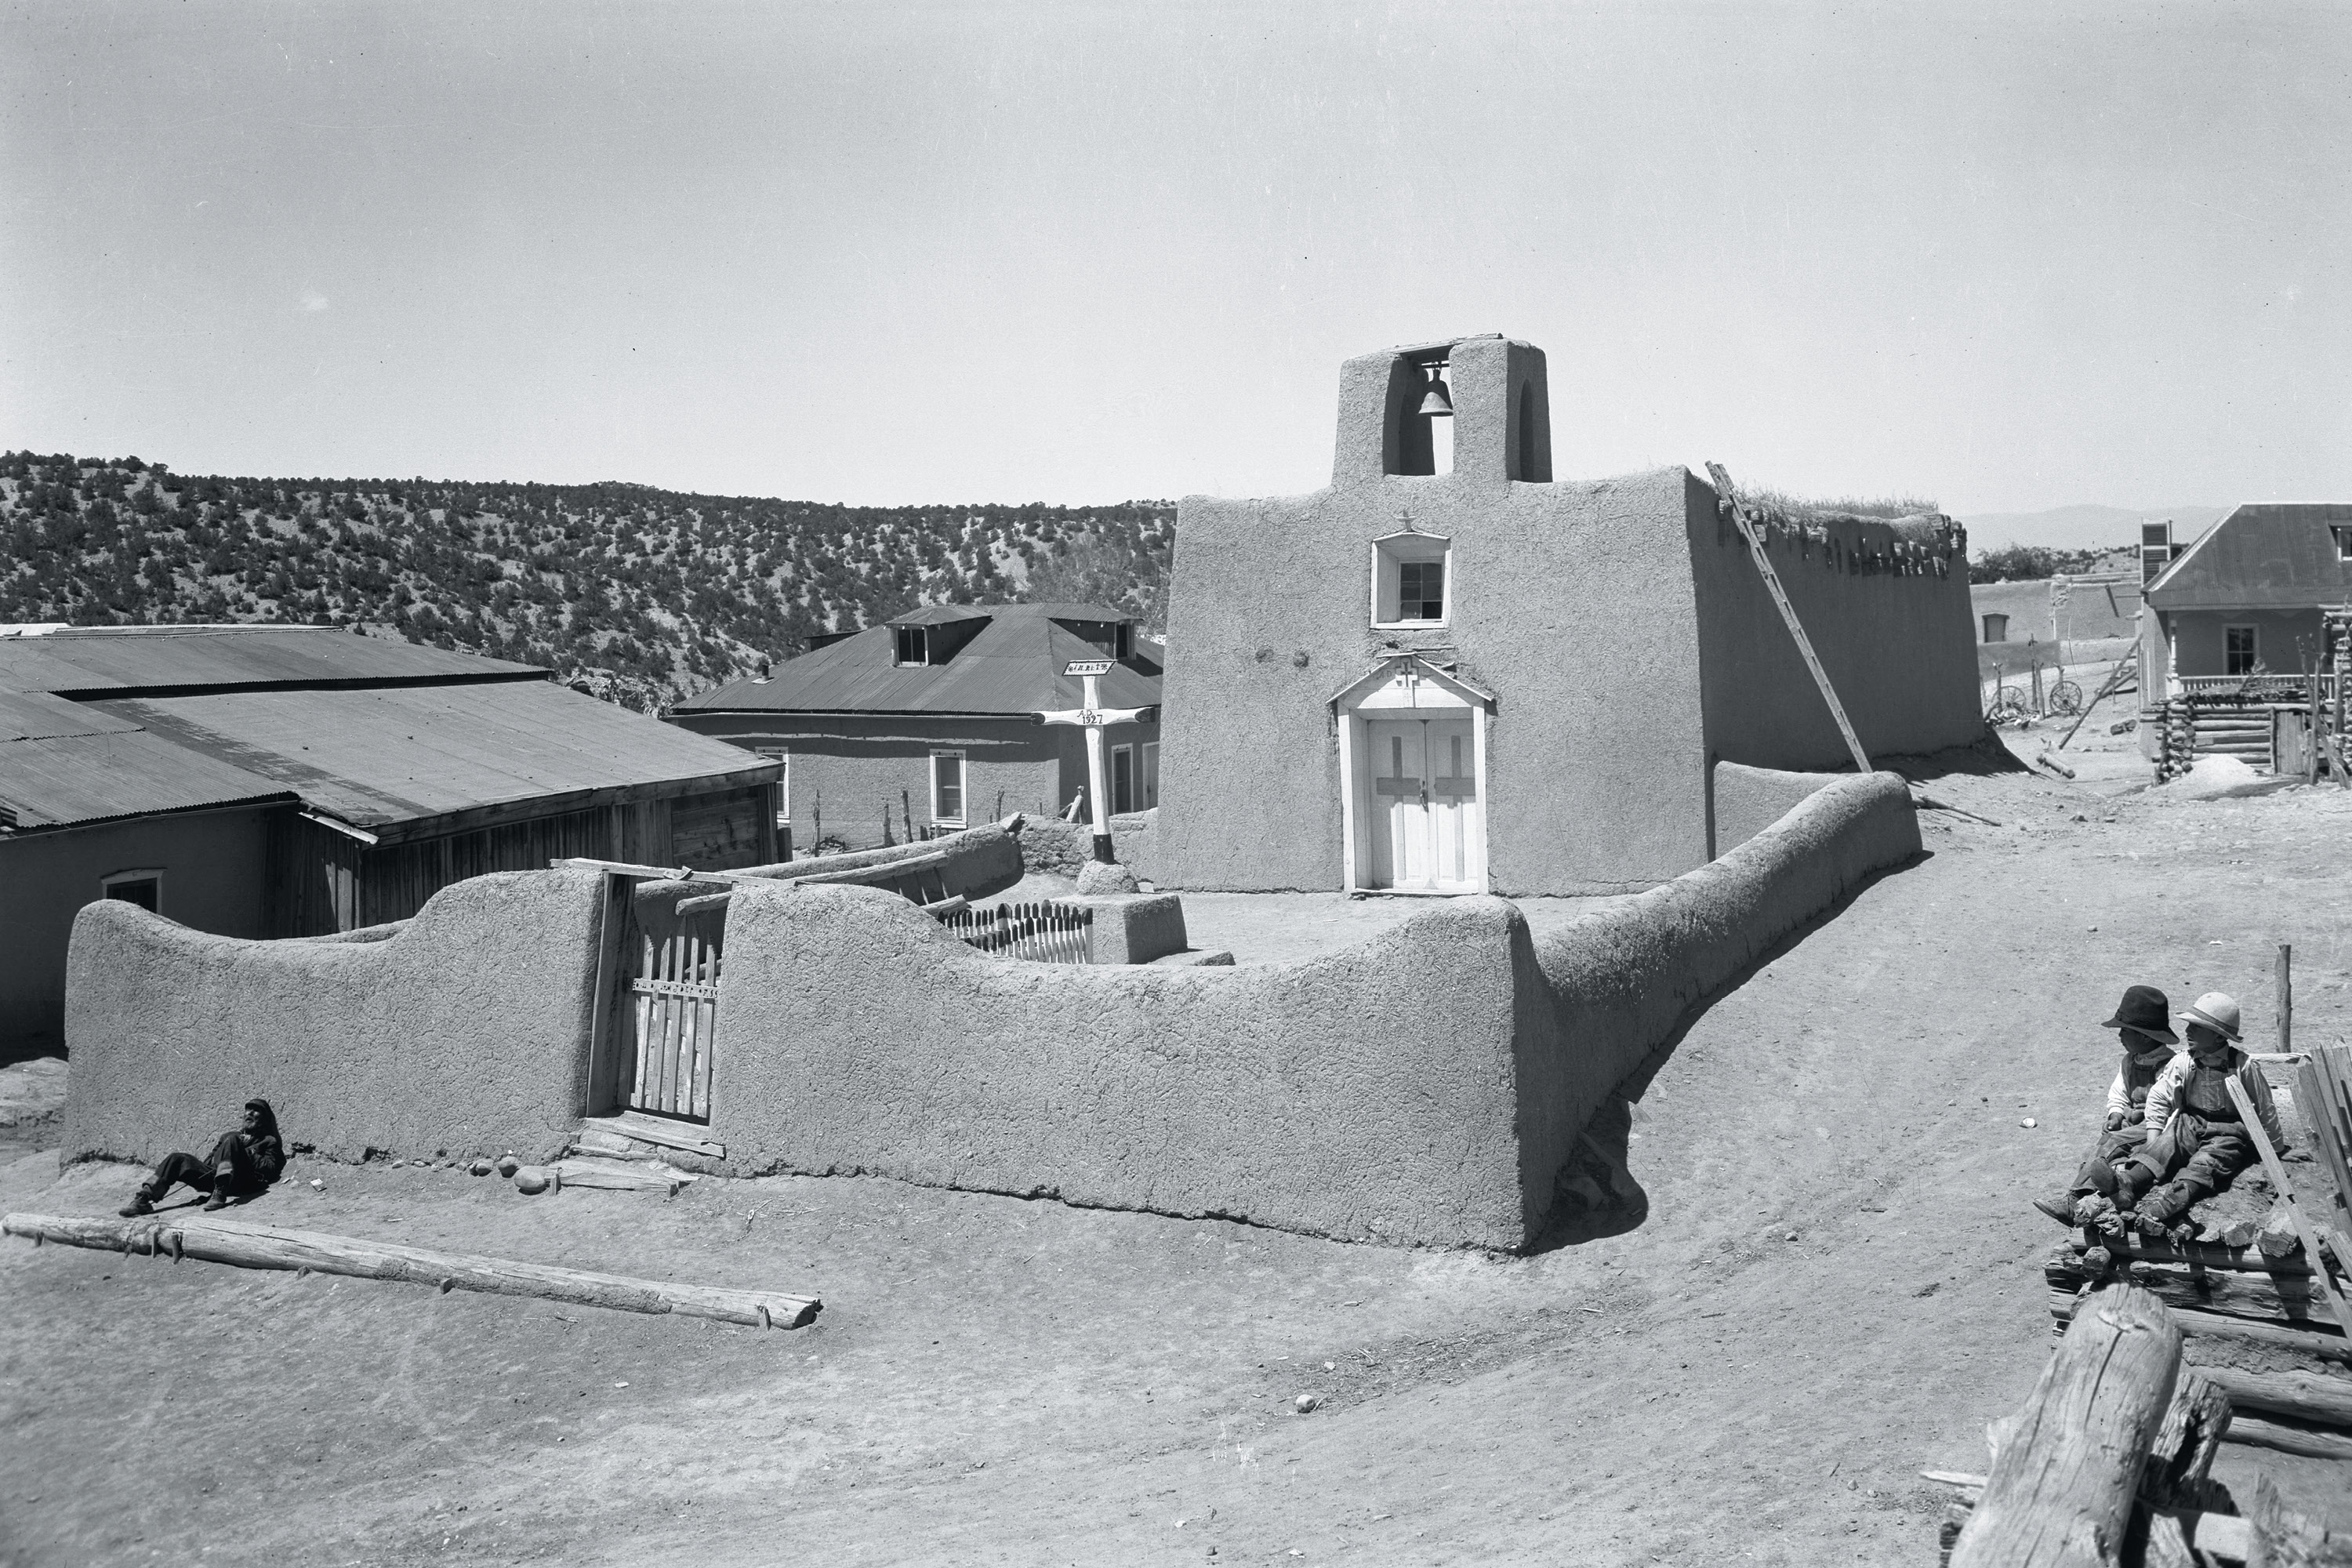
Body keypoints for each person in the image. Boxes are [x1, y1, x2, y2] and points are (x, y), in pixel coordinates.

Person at [2102, 993, 2288, 1236]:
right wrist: (2153, 1139)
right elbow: (2159, 1097)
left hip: (2229, 1131)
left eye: (2196, 1027)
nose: (2187, 1031)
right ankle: (2128, 1184)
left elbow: (2265, 1107)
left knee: (2209, 1160)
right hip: (2190, 1122)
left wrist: (2276, 1148)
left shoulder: (2243, 1066)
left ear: (2219, 1035)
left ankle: (2171, 1202)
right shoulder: (2183, 1061)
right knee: (2166, 1145)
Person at [2033, 985, 2179, 1227]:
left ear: (2144, 1036)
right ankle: (2083, 1198)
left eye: (2125, 1031)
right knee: (2102, 1143)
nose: (2120, 1036)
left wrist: (2147, 1136)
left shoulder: (2170, 1066)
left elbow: (2169, 1110)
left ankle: (2074, 1199)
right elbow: (2119, 1092)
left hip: (2156, 1129)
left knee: (2112, 1143)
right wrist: (2116, 1114)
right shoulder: (2130, 1062)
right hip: (2132, 1128)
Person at [118, 1098, 285, 1216]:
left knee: (233, 1140)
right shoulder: (229, 1136)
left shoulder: (268, 1141)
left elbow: (270, 1170)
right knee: (177, 1158)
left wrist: (245, 1152)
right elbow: (208, 1162)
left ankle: (220, 1193)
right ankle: (144, 1199)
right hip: (216, 1177)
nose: (250, 1113)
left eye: (256, 1111)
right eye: (248, 1110)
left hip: (244, 1182)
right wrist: (225, 1151)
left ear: (263, 1120)